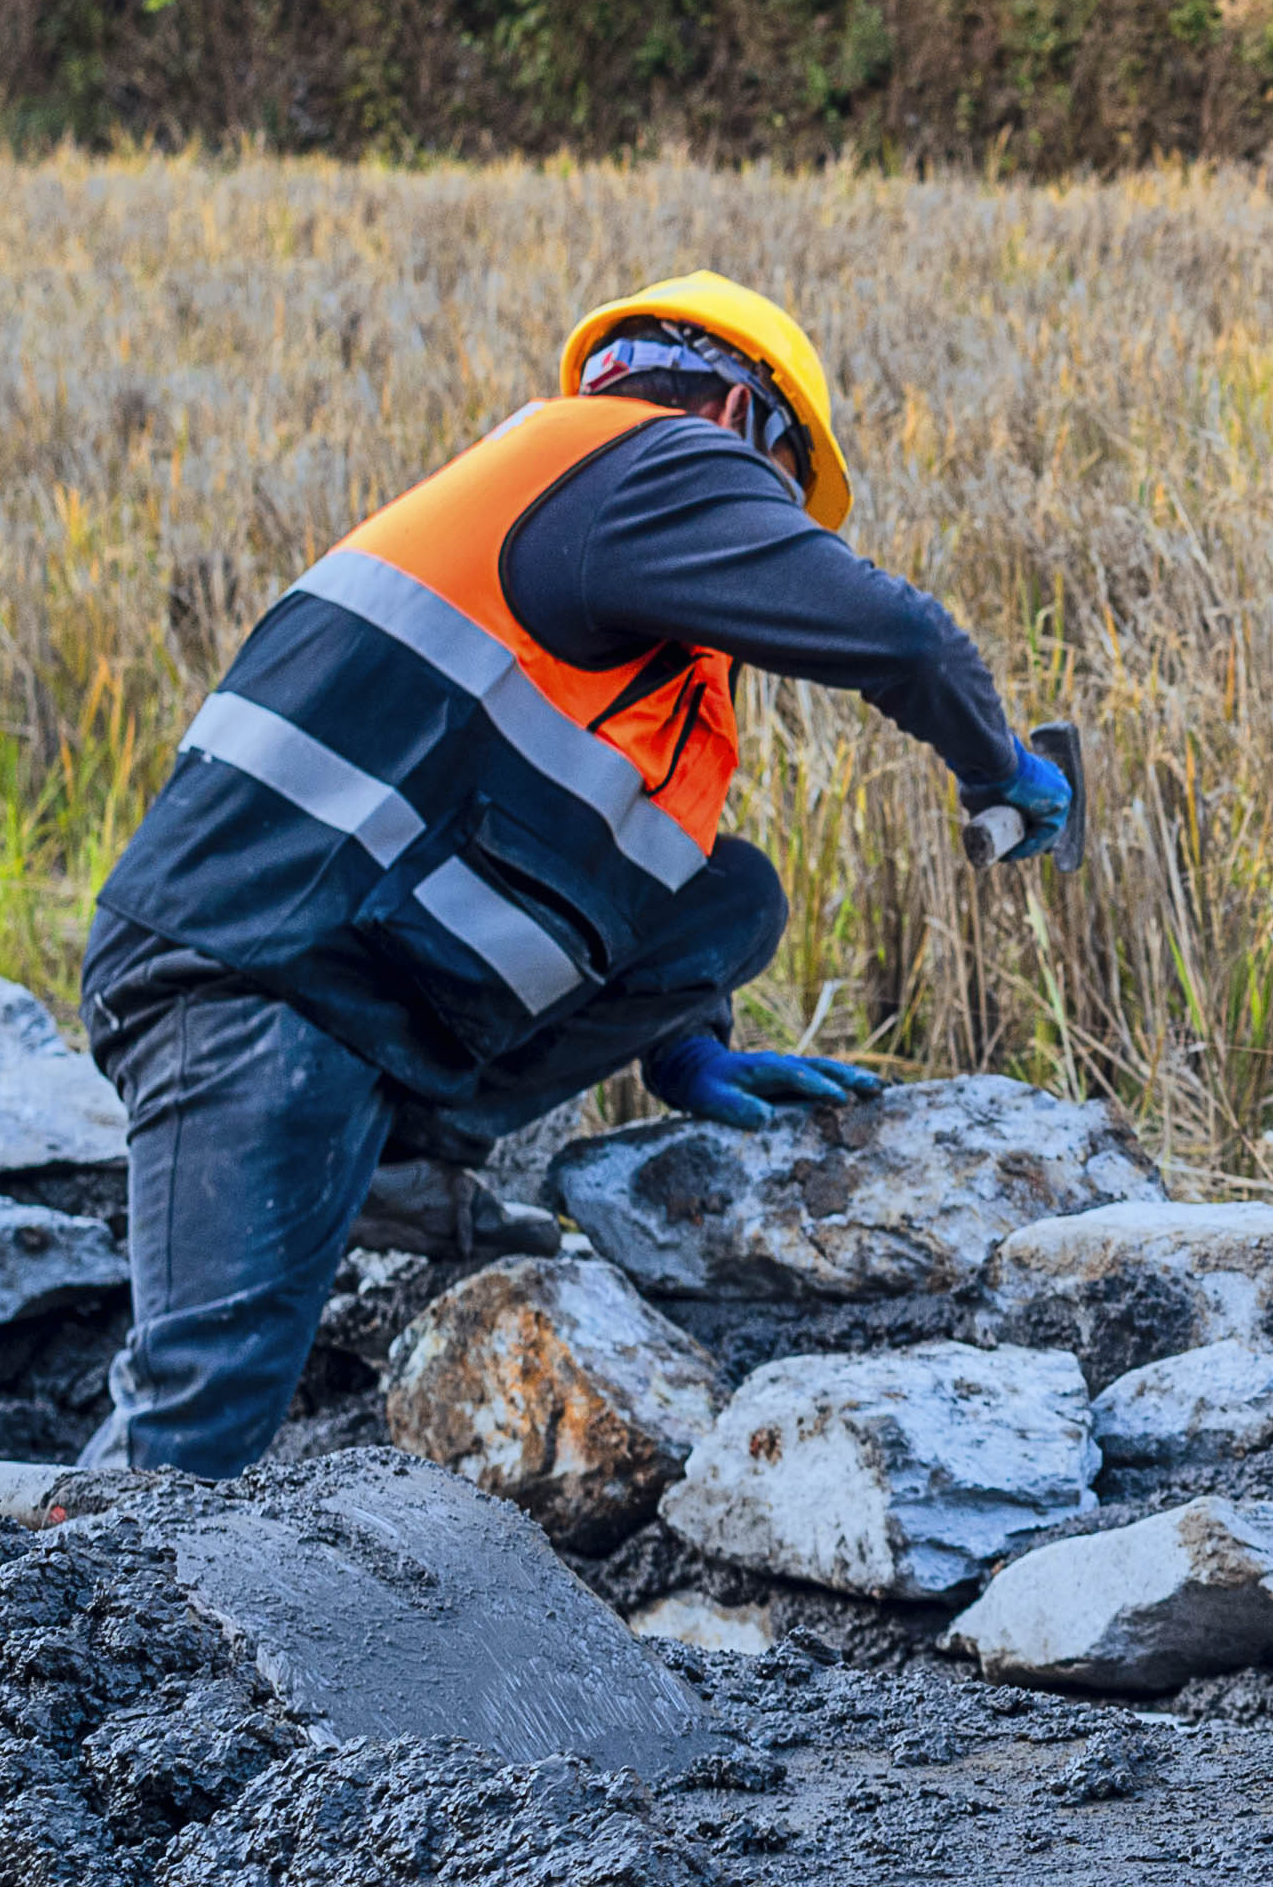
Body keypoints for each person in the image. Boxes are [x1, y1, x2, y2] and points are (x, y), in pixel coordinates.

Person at [71, 274, 1077, 1477]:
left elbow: (629, 860)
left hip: (347, 987)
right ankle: (13, 1640)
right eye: (778, 492)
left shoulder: (600, 552)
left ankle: (386, 1158)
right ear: (739, 412)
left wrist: (684, 1038)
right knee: (197, 1429)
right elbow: (908, 639)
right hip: (249, 970)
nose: (770, 527)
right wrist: (997, 768)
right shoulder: (648, 459)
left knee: (733, 895)